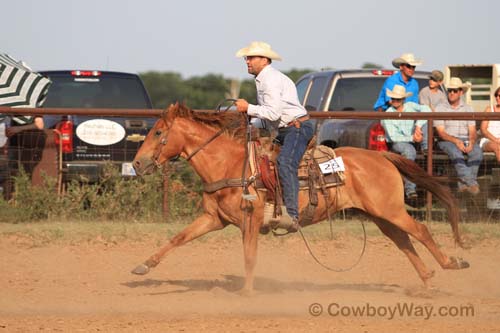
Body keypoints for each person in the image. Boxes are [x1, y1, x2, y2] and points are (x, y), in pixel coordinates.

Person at [234, 41, 314, 233]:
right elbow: (269, 118)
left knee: (285, 163)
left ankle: (292, 215)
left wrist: (248, 108)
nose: (247, 61)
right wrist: (246, 126)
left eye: (251, 57)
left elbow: (272, 113)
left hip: (297, 128)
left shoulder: (270, 80)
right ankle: (269, 210)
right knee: (262, 163)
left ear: (264, 59)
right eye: (247, 58)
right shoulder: (265, 78)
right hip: (286, 129)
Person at [381, 85, 430, 199]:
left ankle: (426, 148)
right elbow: (394, 137)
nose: (395, 101)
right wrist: (413, 138)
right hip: (398, 142)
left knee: (425, 123)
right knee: (409, 151)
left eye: (398, 99)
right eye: (393, 99)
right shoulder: (388, 114)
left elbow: (427, 110)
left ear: (403, 99)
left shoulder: (411, 106)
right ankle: (410, 189)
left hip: (414, 137)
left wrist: (418, 126)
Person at [435, 77, 483, 195]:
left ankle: (463, 185)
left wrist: (472, 141)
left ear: (461, 92)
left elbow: (472, 130)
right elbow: (441, 133)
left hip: (465, 139)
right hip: (447, 140)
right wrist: (456, 141)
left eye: (455, 90)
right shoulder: (440, 108)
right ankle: (471, 183)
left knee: (477, 153)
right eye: (450, 90)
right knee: (456, 153)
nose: (451, 93)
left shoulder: (468, 108)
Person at [479, 86, 500, 162]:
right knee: (498, 147)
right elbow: (483, 130)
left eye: (499, 96)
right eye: (496, 95)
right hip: (488, 140)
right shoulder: (489, 109)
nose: (497, 98)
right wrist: (496, 140)